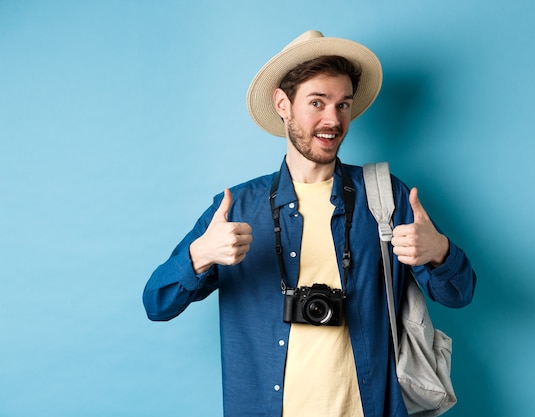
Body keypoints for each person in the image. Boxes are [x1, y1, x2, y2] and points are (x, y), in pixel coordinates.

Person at [143, 30, 476, 417]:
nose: (332, 120)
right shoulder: (237, 208)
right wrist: (200, 254)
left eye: (343, 105)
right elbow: (157, 302)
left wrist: (440, 253)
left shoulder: (385, 197)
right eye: (317, 102)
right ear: (283, 104)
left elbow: (460, 294)